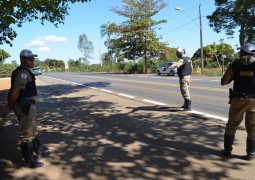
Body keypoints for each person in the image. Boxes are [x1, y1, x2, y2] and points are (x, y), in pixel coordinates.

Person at [3, 49, 49, 168]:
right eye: (30, 59)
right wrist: (10, 105)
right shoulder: (22, 73)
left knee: (33, 130)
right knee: (27, 133)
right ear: (23, 59)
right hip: (24, 106)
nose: (32, 61)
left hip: (27, 104)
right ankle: (28, 161)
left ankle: (39, 152)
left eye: (33, 59)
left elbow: (13, 90)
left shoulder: (25, 72)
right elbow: (15, 91)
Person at [221, 43, 255, 160]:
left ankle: (227, 150)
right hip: (254, 101)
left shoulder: (235, 65)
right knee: (252, 127)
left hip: (238, 99)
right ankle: (251, 153)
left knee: (232, 124)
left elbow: (224, 82)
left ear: (242, 53)